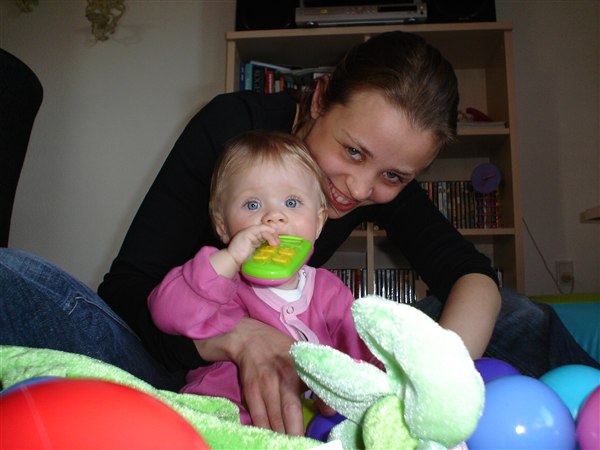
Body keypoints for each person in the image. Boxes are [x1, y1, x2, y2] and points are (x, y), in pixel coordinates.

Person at [1, 31, 598, 437]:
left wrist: (434, 379)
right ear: (319, 99)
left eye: (393, 176)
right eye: (352, 151)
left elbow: (472, 274)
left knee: (521, 317)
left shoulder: (375, 178)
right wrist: (240, 339)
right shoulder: (236, 128)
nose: (358, 189)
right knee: (14, 277)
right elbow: (127, 290)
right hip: (172, 360)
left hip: (310, 374)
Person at [147, 130, 381, 425]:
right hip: (225, 420)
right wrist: (229, 260)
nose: (273, 217)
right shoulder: (222, 284)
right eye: (252, 205)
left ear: (319, 222)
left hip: (304, 428)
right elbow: (167, 314)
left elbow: (361, 353)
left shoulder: (330, 291)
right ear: (222, 226)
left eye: (292, 203)